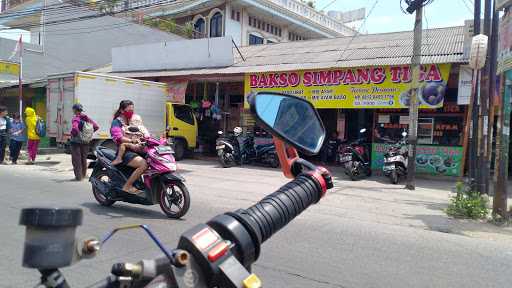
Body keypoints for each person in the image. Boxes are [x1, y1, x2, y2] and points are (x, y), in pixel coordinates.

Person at [110, 100, 148, 195]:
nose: (131, 112)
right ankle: (127, 186)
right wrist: (131, 140)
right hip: (125, 151)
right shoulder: (116, 122)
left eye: (132, 110)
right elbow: (118, 137)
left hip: (137, 148)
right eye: (129, 110)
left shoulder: (133, 121)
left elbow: (143, 132)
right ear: (122, 110)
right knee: (143, 164)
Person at [70, 104, 99, 181]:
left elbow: (75, 129)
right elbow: (96, 127)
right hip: (86, 142)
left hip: (76, 143)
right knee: (83, 159)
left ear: (75, 110)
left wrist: (74, 134)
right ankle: (83, 175)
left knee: (77, 160)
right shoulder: (87, 118)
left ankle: (78, 177)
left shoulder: (76, 119)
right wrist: (87, 135)